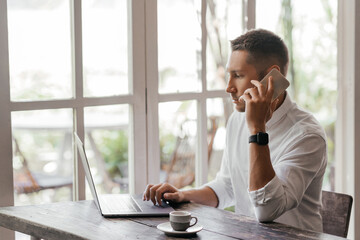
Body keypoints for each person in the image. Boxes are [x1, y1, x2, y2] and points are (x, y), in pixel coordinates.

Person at [143, 29, 327, 232]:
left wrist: (257, 129)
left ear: (270, 78)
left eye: (237, 76)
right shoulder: (237, 119)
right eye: (229, 75)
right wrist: (183, 195)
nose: (229, 87)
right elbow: (228, 185)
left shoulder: (307, 136)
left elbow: (268, 210)